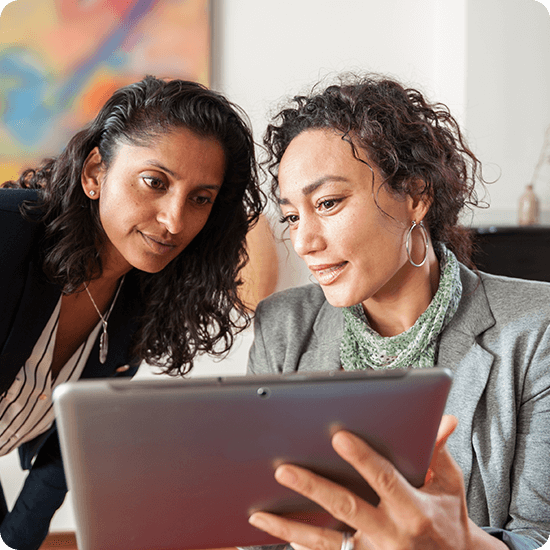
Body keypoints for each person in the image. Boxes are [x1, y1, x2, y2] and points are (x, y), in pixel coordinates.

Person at [246, 74, 550, 550]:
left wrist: (458, 544)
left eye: (327, 203)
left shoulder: (536, 329)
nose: (304, 242)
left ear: (415, 196)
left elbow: (541, 535)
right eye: (291, 215)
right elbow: (263, 531)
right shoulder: (282, 329)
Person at [0, 75, 263, 550]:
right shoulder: (6, 234)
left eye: (200, 199)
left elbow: (69, 439)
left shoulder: (142, 301)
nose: (174, 220)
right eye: (154, 182)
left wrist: (17, 540)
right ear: (95, 172)